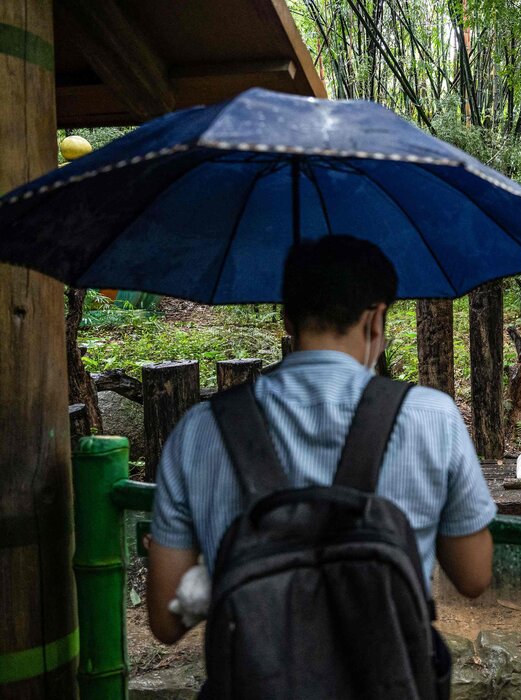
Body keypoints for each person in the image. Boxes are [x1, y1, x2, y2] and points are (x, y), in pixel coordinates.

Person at [147, 235, 497, 644]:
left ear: (287, 320)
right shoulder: (431, 416)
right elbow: (473, 576)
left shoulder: (200, 429)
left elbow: (166, 622)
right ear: (375, 319)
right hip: (387, 670)